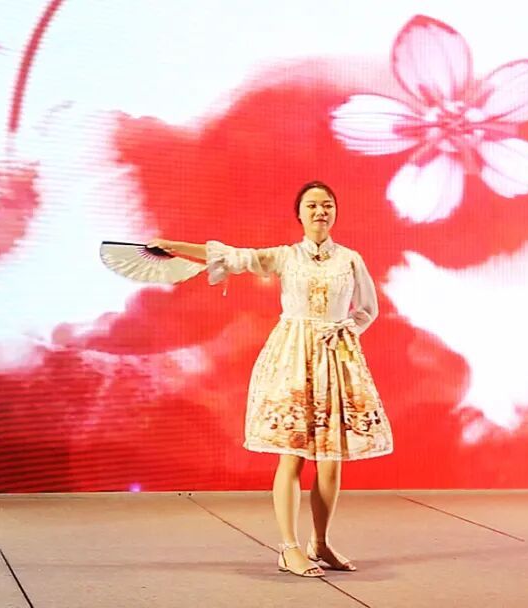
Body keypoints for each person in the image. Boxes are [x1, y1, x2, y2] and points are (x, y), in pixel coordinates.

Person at [147, 181, 393, 578]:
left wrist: (347, 328)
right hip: (293, 360)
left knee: (330, 462)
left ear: (335, 212)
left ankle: (321, 542)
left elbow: (367, 309)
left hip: (333, 359)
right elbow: (231, 256)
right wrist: (174, 245)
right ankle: (288, 547)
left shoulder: (350, 259)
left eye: (327, 205)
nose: (320, 211)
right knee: (292, 454)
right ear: (299, 214)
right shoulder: (285, 256)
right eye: (312, 205)